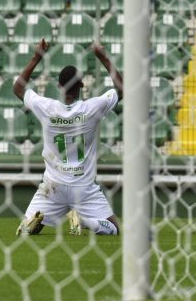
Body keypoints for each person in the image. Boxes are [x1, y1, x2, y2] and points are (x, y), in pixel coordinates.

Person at [13, 39, 122, 237]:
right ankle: (85, 219)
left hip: (53, 186)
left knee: (26, 230)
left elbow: (18, 88)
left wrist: (36, 57)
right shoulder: (92, 108)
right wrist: (103, 58)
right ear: (81, 84)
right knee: (114, 229)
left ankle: (30, 223)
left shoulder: (47, 108)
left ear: (59, 85)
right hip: (84, 187)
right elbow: (123, 90)